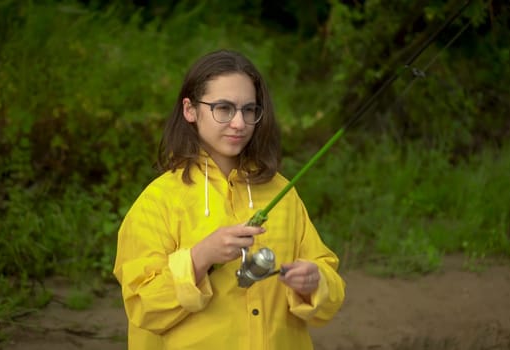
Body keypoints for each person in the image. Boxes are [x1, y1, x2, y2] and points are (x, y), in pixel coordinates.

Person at [113, 49, 346, 349]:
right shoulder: (158, 201)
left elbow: (329, 280)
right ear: (190, 110)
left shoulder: (282, 192)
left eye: (249, 110)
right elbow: (142, 305)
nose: (239, 123)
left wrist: (315, 283)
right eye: (224, 108)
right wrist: (200, 258)